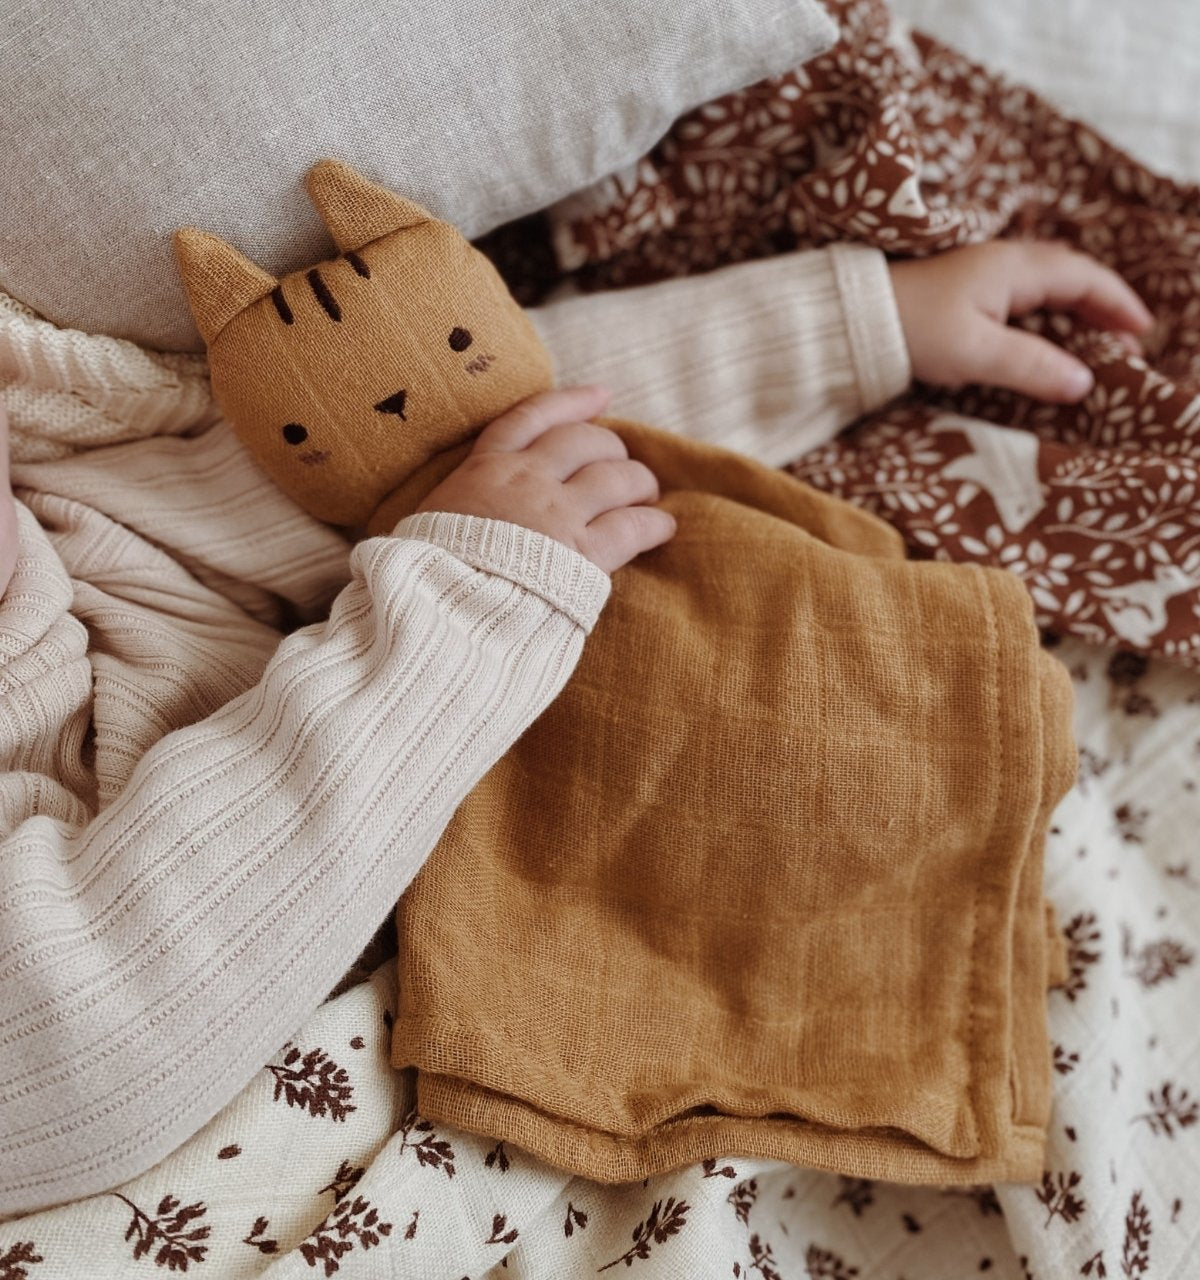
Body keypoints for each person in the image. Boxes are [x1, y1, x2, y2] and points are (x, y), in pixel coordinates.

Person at [0, 234, 1151, 1216]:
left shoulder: (70, 504)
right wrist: (468, 601)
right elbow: (67, 1055)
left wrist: (852, 325)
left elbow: (440, 433)